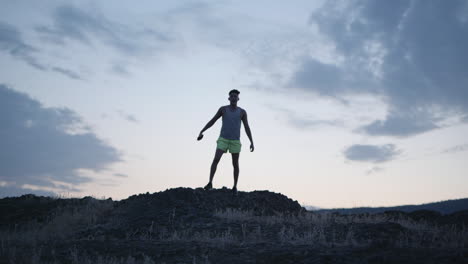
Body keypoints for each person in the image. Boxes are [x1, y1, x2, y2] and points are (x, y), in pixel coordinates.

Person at [197, 89, 254, 195]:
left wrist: (251, 141)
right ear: (229, 98)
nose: (233, 98)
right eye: (231, 96)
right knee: (216, 159)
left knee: (235, 164)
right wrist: (202, 131)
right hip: (223, 139)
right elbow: (213, 120)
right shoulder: (223, 109)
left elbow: (246, 127)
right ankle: (210, 183)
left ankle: (235, 187)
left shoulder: (242, 112)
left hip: (235, 141)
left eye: (235, 96)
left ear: (238, 99)